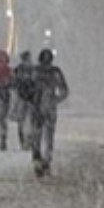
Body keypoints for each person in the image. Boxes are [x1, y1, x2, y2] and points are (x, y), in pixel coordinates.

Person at [31, 48, 70, 176]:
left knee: (37, 137)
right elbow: (64, 90)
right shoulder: (55, 72)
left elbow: (26, 88)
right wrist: (55, 100)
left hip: (37, 108)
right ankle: (45, 162)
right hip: (48, 109)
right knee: (47, 137)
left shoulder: (35, 71)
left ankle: (38, 162)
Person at [13, 51, 39, 152]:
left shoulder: (18, 69)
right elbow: (37, 83)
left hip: (21, 97)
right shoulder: (34, 69)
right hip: (32, 98)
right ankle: (30, 140)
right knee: (31, 121)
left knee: (22, 121)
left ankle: (23, 141)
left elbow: (14, 83)